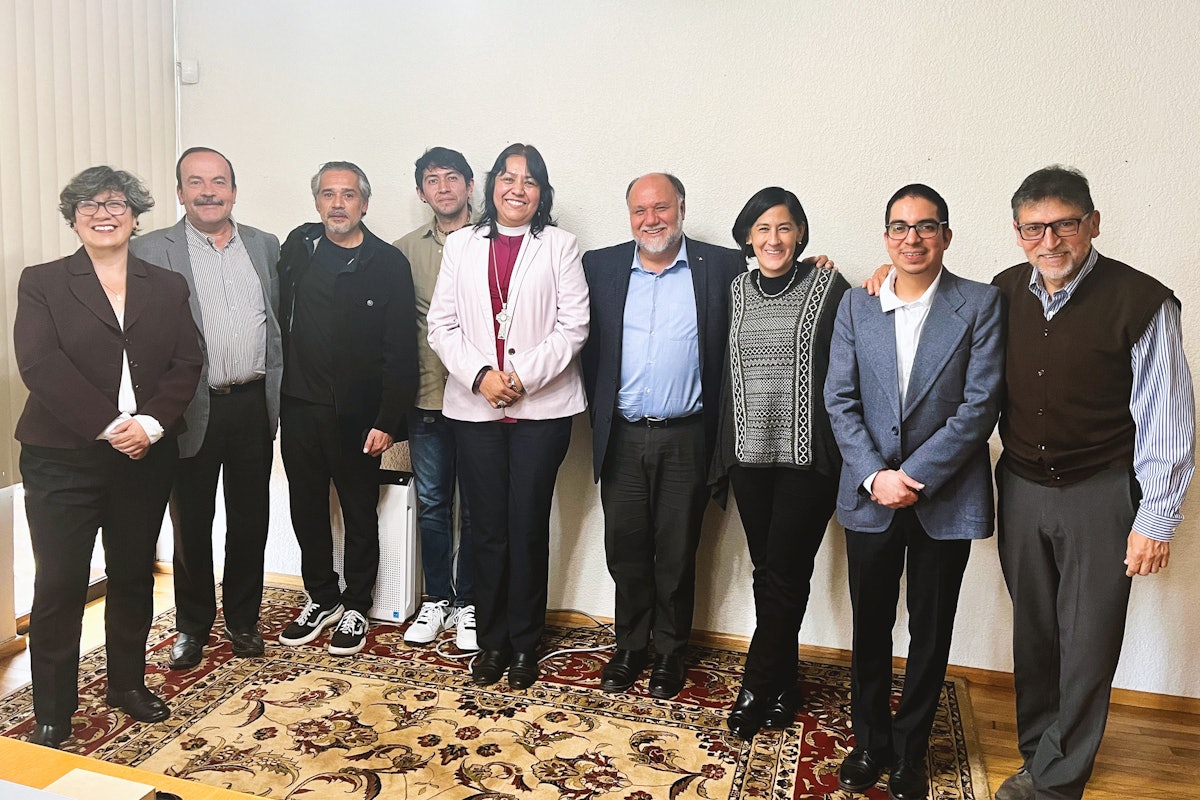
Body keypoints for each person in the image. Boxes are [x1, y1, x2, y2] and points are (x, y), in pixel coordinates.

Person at [990, 167, 1194, 800]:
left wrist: (1154, 519)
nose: (1050, 241)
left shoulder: (1143, 301)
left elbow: (1167, 419)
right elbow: (934, 325)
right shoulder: (998, 293)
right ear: (1018, 234)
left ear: (1093, 224)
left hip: (1101, 492)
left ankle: (1054, 783)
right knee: (1036, 633)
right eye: (1034, 228)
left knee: (1088, 641)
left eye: (1065, 224)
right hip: (1021, 486)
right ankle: (1041, 751)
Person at [825, 185, 1004, 800]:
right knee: (870, 626)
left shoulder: (980, 304)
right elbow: (839, 400)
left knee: (931, 631)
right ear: (886, 239)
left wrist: (914, 476)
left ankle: (911, 750)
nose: (912, 238)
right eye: (899, 227)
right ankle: (869, 742)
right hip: (870, 495)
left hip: (943, 498)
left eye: (926, 227)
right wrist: (877, 475)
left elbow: (980, 407)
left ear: (946, 236)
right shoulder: (857, 305)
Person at [14, 166, 203, 748]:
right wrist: (107, 424)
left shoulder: (166, 284)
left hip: (144, 455)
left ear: (135, 214)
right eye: (90, 204)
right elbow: (40, 365)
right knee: (61, 583)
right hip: (62, 458)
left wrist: (146, 425)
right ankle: (53, 708)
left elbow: (186, 363)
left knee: (131, 576)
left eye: (116, 203)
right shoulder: (42, 281)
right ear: (73, 216)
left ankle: (126, 683)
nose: (104, 213)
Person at [427, 143, 588, 690]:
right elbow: (441, 326)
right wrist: (481, 376)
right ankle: (490, 640)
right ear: (491, 185)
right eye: (508, 177)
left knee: (525, 526)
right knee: (485, 528)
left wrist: (520, 377)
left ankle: (524, 643)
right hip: (474, 410)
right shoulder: (460, 246)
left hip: (542, 408)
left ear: (542, 192)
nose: (517, 188)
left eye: (530, 180)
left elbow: (574, 327)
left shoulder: (560, 246)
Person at [580, 173, 745, 700]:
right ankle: (630, 645)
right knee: (624, 548)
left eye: (661, 208)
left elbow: (776, 274)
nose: (651, 220)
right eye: (639, 211)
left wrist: (821, 266)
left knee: (676, 552)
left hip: (687, 437)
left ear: (681, 208)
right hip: (623, 436)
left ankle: (671, 651)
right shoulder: (599, 267)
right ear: (629, 216)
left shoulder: (719, 266)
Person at [130, 147, 282, 670]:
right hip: (190, 408)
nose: (209, 191)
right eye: (196, 182)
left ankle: (243, 619)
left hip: (253, 404)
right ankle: (193, 625)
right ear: (179, 192)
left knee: (250, 518)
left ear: (234, 191)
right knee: (191, 521)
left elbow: (278, 323)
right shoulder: (150, 250)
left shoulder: (265, 246)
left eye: (219, 181)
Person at [708, 187, 849, 738]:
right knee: (768, 574)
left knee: (785, 576)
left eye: (784, 228)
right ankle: (784, 685)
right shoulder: (734, 291)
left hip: (807, 461)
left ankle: (755, 686)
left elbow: (858, 344)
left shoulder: (828, 287)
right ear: (748, 236)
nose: (773, 239)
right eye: (763, 229)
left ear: (800, 234)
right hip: (749, 456)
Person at [276, 161, 418, 657]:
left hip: (359, 417)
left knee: (359, 512)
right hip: (298, 408)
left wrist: (387, 421)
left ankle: (357, 603)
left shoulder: (387, 263)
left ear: (365, 202)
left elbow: (402, 350)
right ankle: (322, 597)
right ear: (317, 202)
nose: (339, 204)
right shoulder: (298, 249)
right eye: (329, 194)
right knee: (306, 510)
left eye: (349, 195)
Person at [394, 147, 477, 651]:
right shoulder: (402, 251)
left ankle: (469, 601)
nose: (443, 187)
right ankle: (437, 599)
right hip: (425, 395)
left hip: (481, 396)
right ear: (421, 191)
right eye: (432, 180)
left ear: (470, 185)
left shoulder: (494, 241)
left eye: (452, 178)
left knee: (478, 506)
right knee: (433, 502)